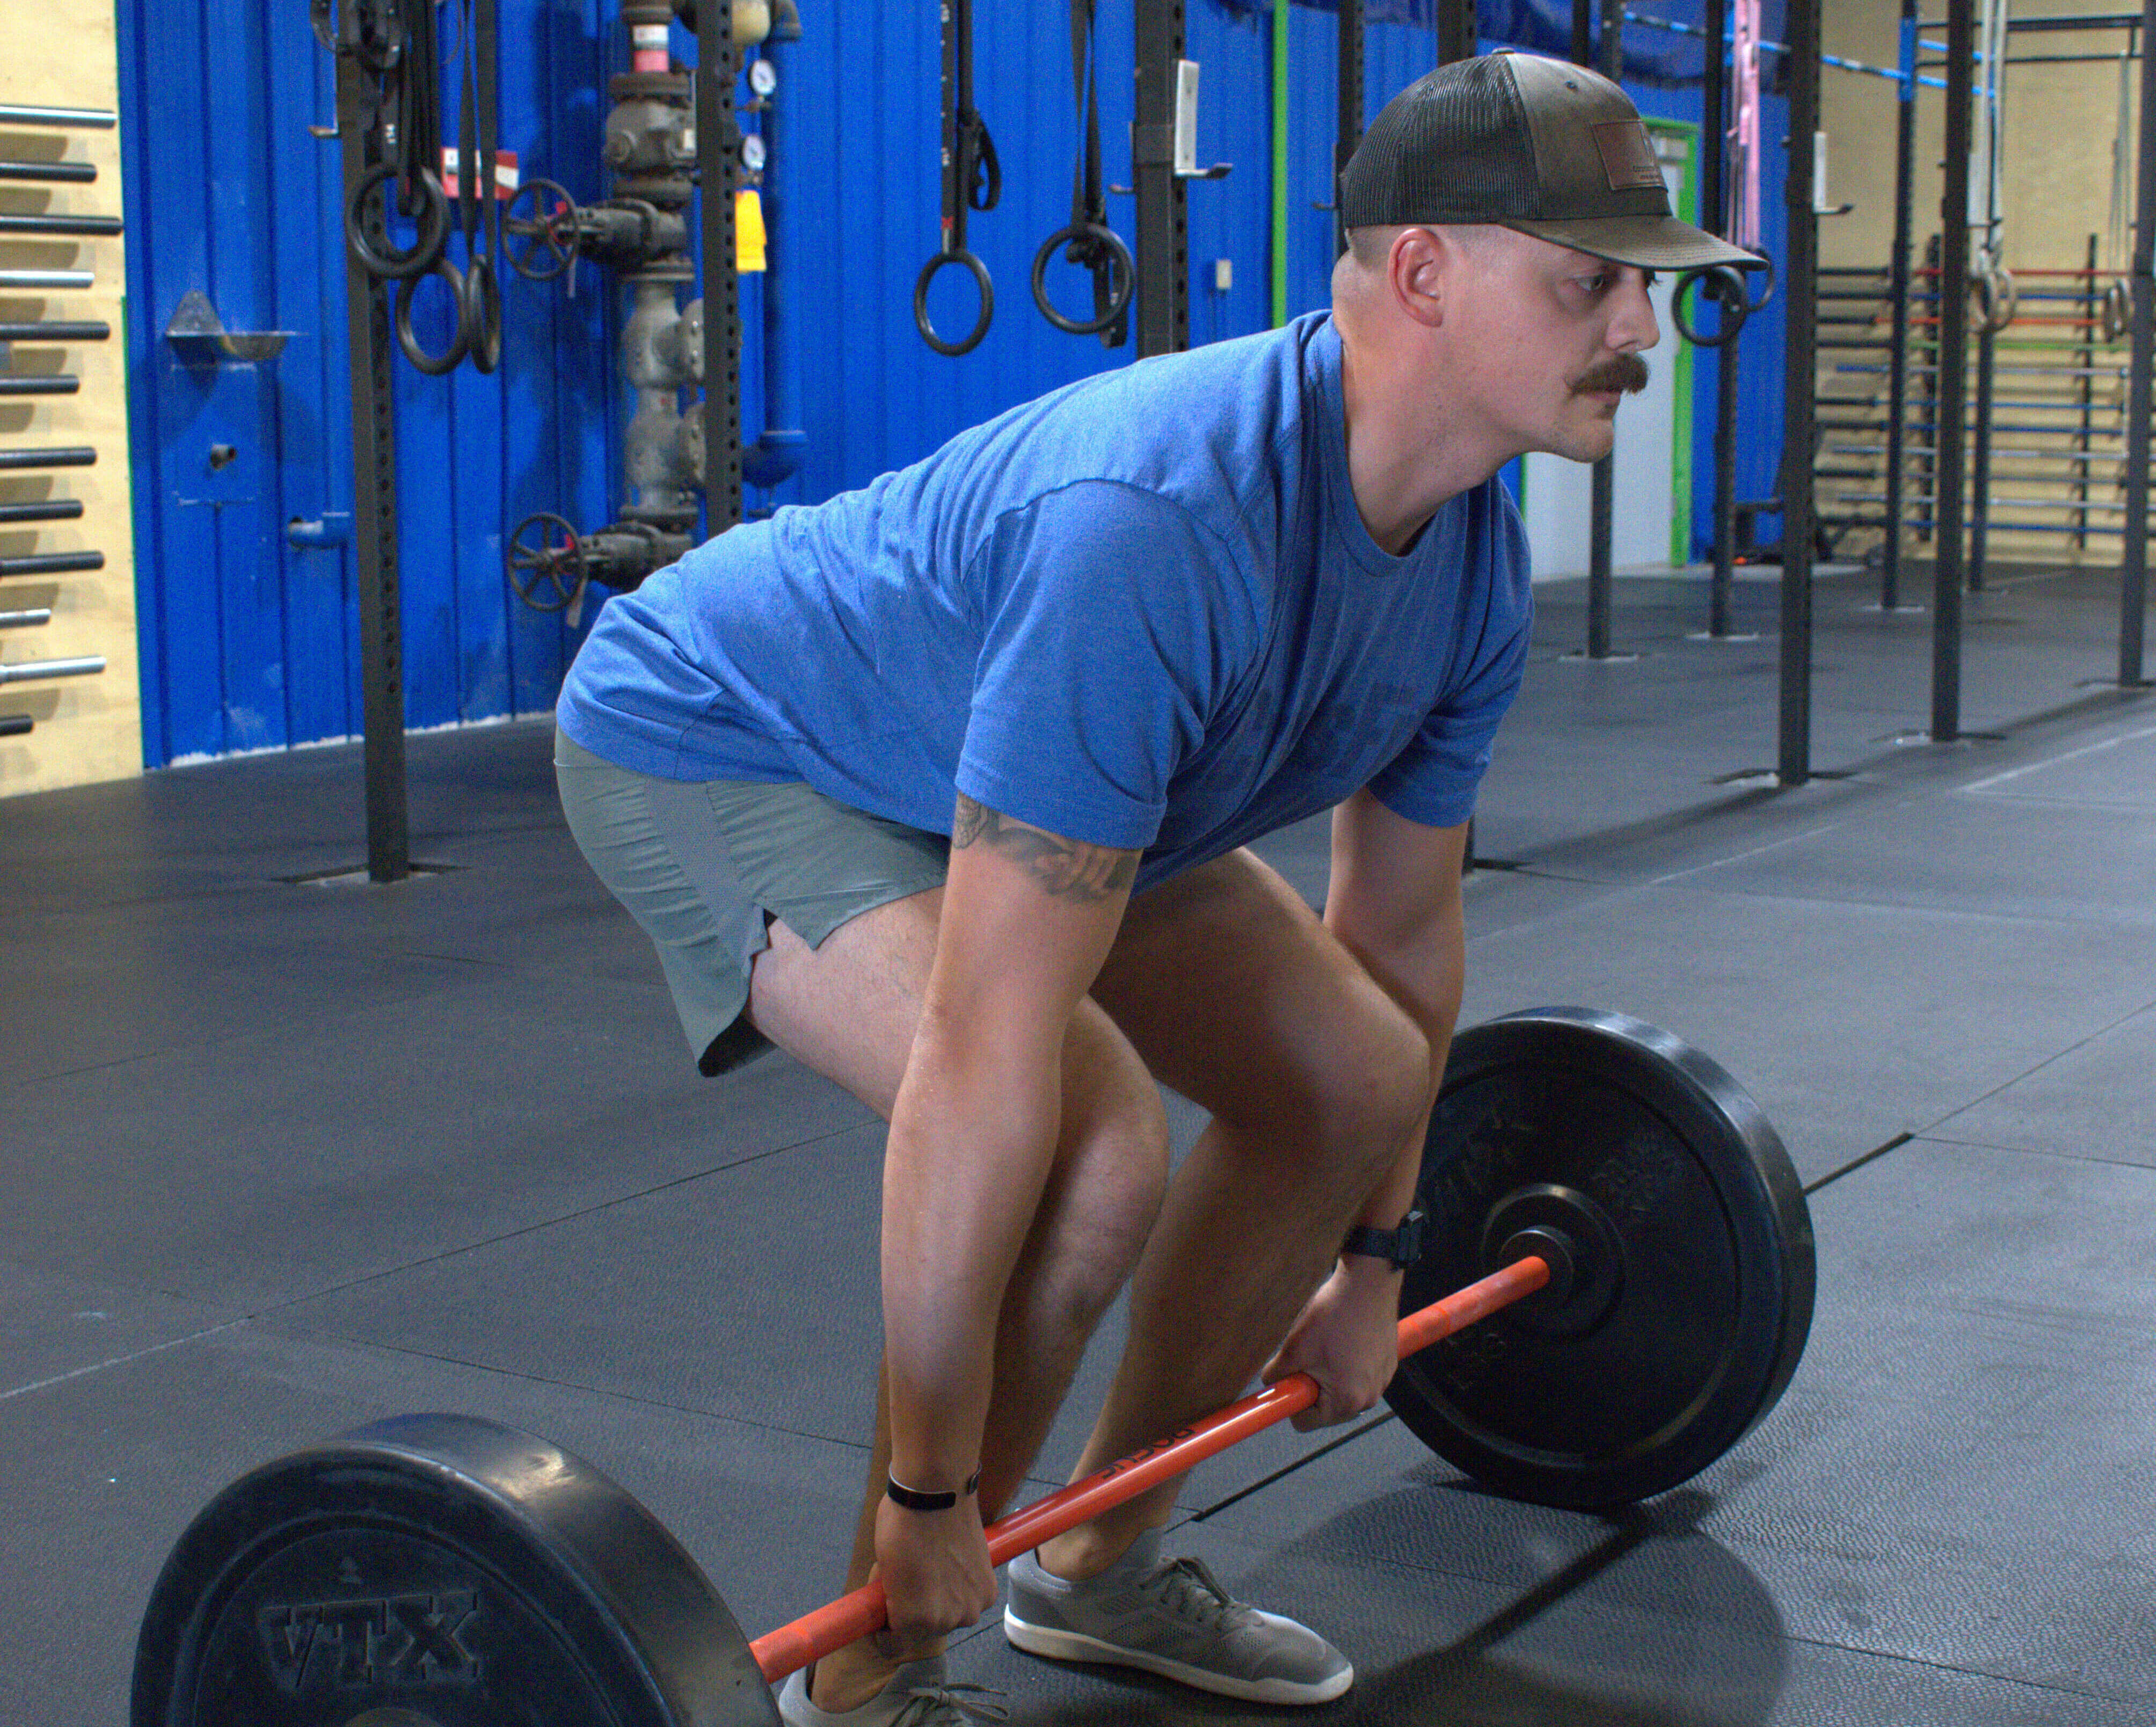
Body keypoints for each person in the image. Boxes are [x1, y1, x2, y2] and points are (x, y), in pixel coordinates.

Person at [553, 49, 1755, 1727]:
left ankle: (1101, 1562)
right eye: (1592, 283)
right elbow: (984, 1058)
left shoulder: (1469, 562)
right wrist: (925, 1493)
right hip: (725, 737)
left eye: (1645, 286)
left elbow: (1401, 942)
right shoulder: (1159, 524)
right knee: (1080, 1143)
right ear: (1421, 271)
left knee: (1350, 1071)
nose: (1642, 331)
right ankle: (869, 1668)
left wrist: (1375, 1263)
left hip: (1000, 764)